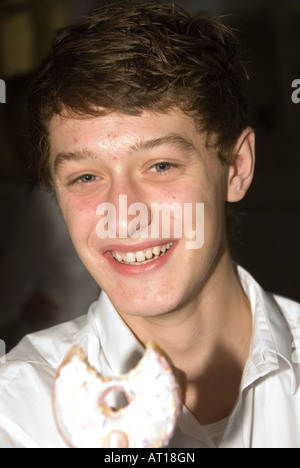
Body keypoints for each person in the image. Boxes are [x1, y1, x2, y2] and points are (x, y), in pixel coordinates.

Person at [0, 1, 299, 448]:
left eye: (160, 166)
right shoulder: (17, 409)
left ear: (236, 167)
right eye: (86, 176)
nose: (121, 211)